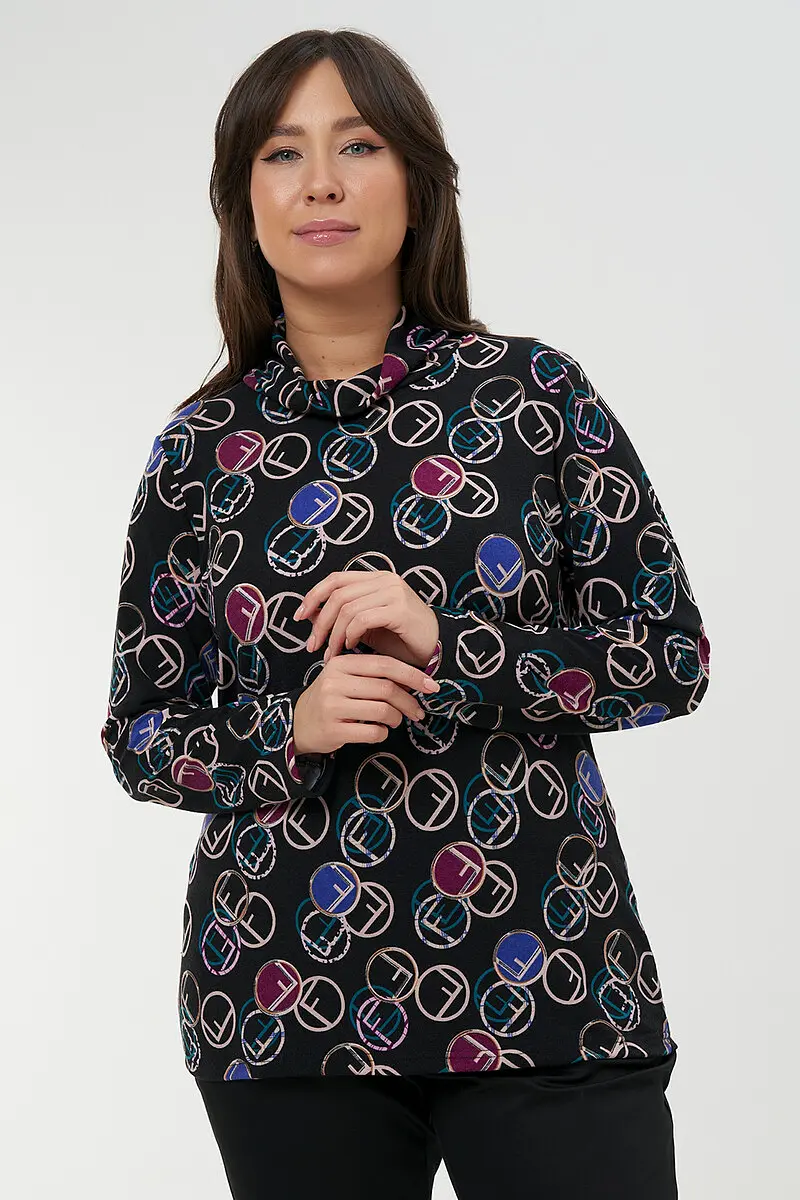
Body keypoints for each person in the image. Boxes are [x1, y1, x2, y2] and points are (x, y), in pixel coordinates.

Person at [99, 27, 711, 1200]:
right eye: (282, 154)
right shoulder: (198, 449)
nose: (320, 183)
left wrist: (456, 646)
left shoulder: (533, 396)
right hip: (283, 1001)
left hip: (547, 983)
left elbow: (666, 655)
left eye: (359, 145)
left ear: (418, 186)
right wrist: (288, 729)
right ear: (242, 202)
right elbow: (141, 733)